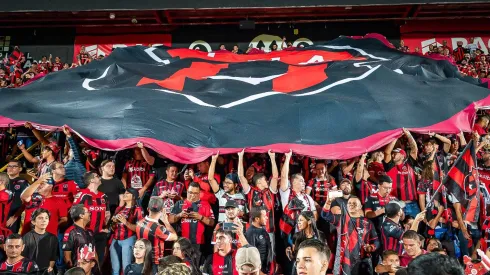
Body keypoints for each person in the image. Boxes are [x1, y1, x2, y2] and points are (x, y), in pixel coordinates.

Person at [322, 196, 379, 275]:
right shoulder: (340, 220)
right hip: (345, 260)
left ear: (360, 207)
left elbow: (376, 241)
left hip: (363, 260)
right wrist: (328, 202)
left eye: (354, 203)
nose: (351, 205)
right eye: (349, 203)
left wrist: (371, 247)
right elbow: (325, 215)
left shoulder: (368, 222)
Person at [238, 149, 278, 242]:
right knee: (254, 255)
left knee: (269, 256)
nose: (267, 181)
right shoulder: (250, 191)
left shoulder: (270, 191)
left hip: (269, 230)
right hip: (253, 231)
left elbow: (275, 176)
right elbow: (241, 176)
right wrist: (240, 157)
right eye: (265, 179)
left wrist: (272, 158)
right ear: (259, 181)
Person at [74, 172, 110, 264]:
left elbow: (107, 215)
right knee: (85, 262)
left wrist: (105, 227)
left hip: (100, 235)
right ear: (92, 180)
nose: (100, 177)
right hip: (85, 235)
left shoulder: (104, 196)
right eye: (97, 176)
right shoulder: (82, 194)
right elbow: (74, 213)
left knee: (99, 263)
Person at [280, 150, 317, 239]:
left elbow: (314, 213)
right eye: (301, 181)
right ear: (292, 182)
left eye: (304, 181)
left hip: (308, 232)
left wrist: (309, 225)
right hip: (292, 234)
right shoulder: (286, 193)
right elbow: (284, 176)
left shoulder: (308, 197)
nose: (304, 183)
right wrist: (288, 157)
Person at [383, 129, 420, 217]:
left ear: (403, 155)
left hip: (413, 204)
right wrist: (396, 136)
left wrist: (408, 134)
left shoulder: (409, 164)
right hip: (397, 205)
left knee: (416, 228)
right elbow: (387, 152)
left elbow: (414, 149)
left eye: (396, 153)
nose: (393, 155)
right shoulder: (390, 167)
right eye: (393, 154)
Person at [137, 196, 177, 272]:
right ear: (162, 210)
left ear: (148, 209)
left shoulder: (140, 222)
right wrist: (166, 222)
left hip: (141, 261)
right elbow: (175, 237)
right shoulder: (159, 228)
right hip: (154, 263)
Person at [169, 182, 215, 248]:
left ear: (199, 193)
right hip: (181, 242)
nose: (192, 195)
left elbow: (212, 223)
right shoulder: (179, 203)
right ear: (187, 191)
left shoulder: (205, 204)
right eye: (190, 192)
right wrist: (179, 215)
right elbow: (170, 220)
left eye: (195, 193)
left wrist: (200, 217)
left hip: (199, 244)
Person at [110, 188, 144, 275]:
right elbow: (113, 228)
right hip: (115, 239)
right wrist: (113, 223)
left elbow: (139, 228)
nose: (125, 194)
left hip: (128, 240)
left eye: (128, 193)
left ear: (133, 197)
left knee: (126, 267)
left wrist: (126, 222)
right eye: (124, 193)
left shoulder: (138, 209)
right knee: (115, 268)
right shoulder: (118, 209)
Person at [208, 152, 247, 223]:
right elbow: (210, 179)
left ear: (235, 185)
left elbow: (249, 216)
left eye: (228, 183)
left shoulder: (243, 196)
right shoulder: (221, 194)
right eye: (225, 182)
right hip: (223, 231)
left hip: (238, 230)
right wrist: (214, 159)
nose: (225, 185)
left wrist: (243, 214)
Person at [22, 208, 58, 272]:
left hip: (46, 271)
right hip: (30, 271)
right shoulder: (26, 237)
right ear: (33, 222)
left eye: (46, 218)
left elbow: (53, 257)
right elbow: (23, 257)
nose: (44, 220)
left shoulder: (53, 238)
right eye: (40, 218)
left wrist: (50, 268)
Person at [63, 204, 96, 269]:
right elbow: (67, 257)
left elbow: (94, 252)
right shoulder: (70, 232)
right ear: (81, 215)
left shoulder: (90, 231)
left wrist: (98, 268)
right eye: (88, 212)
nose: (90, 213)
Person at [245, 208, 271, 275]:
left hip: (265, 269)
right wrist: (260, 273)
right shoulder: (251, 233)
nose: (267, 218)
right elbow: (250, 257)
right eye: (264, 216)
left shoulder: (263, 230)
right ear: (257, 219)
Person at [6, 160, 28, 234]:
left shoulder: (23, 183)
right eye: (9, 166)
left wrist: (15, 217)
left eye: (14, 166)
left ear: (20, 169)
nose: (10, 168)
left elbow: (26, 202)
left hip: (13, 217)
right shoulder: (2, 181)